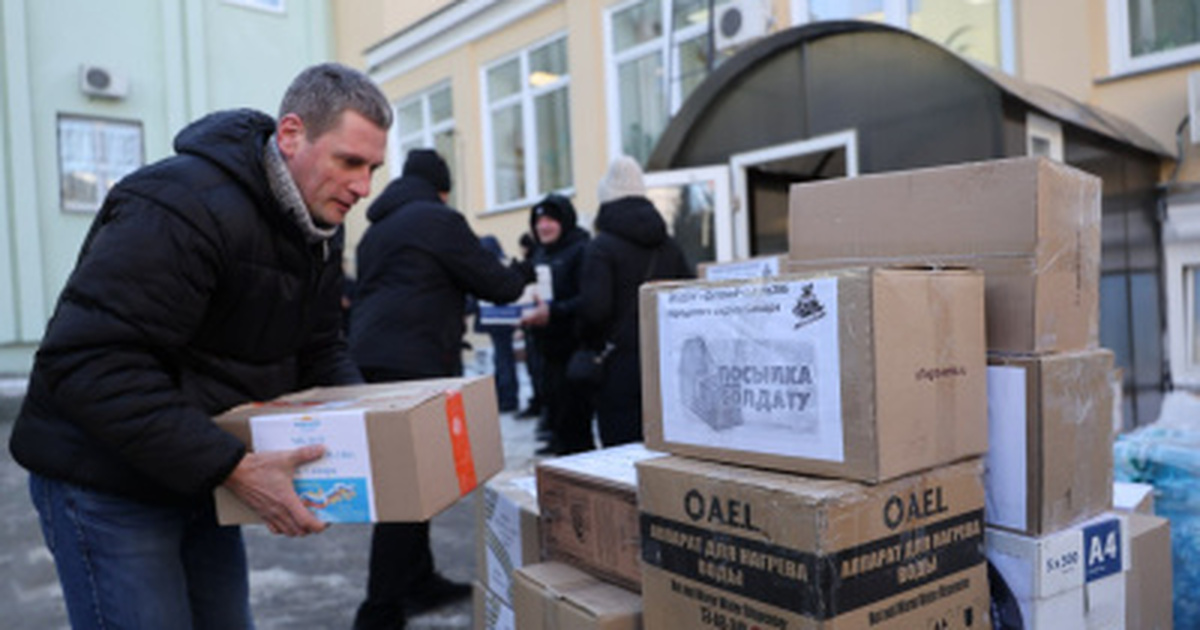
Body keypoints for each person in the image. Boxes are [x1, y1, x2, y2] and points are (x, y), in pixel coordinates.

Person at [8, 62, 392, 628]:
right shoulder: (176, 206)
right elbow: (90, 365)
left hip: (196, 471)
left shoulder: (317, 232)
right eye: (350, 162)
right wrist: (231, 466)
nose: (364, 187)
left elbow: (318, 349)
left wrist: (373, 431)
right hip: (105, 480)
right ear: (291, 135)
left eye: (374, 168)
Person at [348, 148, 533, 629]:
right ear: (442, 188)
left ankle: (417, 579)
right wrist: (523, 272)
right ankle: (379, 609)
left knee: (412, 478)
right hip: (417, 362)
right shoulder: (437, 219)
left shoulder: (376, 231)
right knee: (407, 487)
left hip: (369, 361)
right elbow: (497, 284)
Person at [578, 156, 693, 447]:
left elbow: (595, 310)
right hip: (667, 362)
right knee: (663, 447)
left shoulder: (600, 248)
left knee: (621, 452)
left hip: (617, 366)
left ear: (606, 201)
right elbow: (690, 297)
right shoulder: (669, 246)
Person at [520, 194, 595, 456]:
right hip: (546, 350)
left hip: (574, 350)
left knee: (575, 427)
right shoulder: (540, 253)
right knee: (557, 422)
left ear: (564, 221)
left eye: (550, 219)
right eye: (538, 220)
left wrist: (554, 312)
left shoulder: (582, 249)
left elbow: (588, 299)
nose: (543, 226)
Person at [472, 235, 520, 412]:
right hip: (503, 319)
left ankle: (506, 398)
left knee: (502, 358)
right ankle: (505, 396)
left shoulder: (486, 266)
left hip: (496, 319)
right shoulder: (504, 265)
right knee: (503, 357)